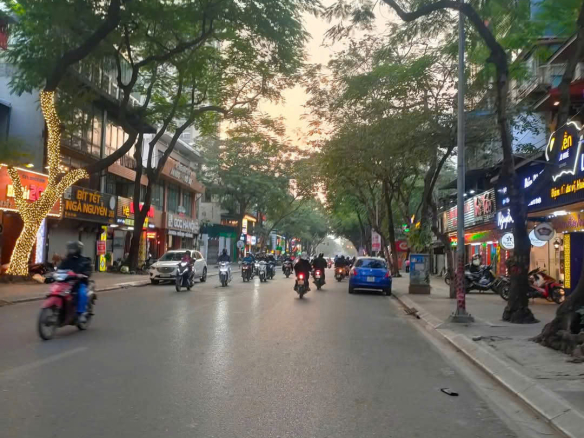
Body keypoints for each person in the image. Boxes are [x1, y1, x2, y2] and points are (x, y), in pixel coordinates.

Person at [58, 241, 92, 322]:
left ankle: (81, 313)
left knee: (82, 293)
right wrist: (54, 273)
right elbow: (60, 268)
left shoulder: (85, 260)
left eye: (73, 249)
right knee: (58, 291)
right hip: (66, 281)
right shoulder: (66, 260)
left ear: (78, 249)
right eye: (70, 249)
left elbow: (88, 270)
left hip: (80, 282)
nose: (71, 250)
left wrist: (83, 274)